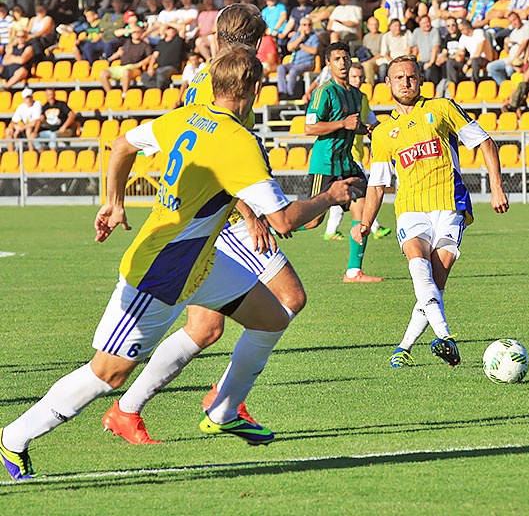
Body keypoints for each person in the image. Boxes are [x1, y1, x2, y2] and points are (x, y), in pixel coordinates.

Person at [0, 47, 361, 480]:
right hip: (161, 272)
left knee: (270, 317)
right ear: (252, 88)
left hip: (201, 264)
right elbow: (282, 220)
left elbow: (121, 144)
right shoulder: (237, 140)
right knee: (107, 374)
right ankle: (14, 437)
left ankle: (225, 408)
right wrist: (332, 196)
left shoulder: (185, 116)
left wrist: (114, 203)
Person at [98, 6, 321, 445]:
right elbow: (210, 153)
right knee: (288, 298)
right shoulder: (221, 84)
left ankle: (131, 410)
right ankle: (223, 403)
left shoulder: (211, 74)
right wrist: (249, 212)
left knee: (206, 328)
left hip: (218, 213)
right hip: (220, 218)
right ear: (255, 40)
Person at [351, 55, 508, 368]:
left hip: (450, 203)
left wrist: (496, 187)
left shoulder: (442, 108)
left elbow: (486, 143)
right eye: (399, 78)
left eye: (411, 77)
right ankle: (445, 337)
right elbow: (378, 184)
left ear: (420, 79)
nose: (406, 83)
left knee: (434, 285)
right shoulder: (383, 133)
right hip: (410, 209)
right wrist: (365, 222)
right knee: (419, 268)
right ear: (388, 84)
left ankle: (404, 347)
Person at [303, 42, 383, 283]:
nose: (342, 63)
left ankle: (353, 271)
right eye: (336, 59)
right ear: (328, 64)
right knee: (312, 221)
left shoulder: (357, 95)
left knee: (364, 209)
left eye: (345, 58)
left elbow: (354, 125)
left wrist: (367, 130)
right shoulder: (323, 92)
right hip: (325, 163)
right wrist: (343, 124)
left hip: (347, 162)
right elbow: (309, 128)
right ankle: (270, 226)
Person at [322, 62, 392, 242]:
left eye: (361, 77)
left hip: (357, 154)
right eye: (354, 77)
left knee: (344, 196)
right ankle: (374, 227)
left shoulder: (362, 98)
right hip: (346, 155)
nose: (358, 80)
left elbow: (373, 123)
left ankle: (330, 231)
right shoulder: (338, 97)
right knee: (365, 193)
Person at [99, 25, 153, 93]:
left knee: (126, 72)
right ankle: (110, 94)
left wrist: (139, 64)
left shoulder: (145, 45)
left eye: (138, 32)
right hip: (121, 67)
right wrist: (129, 30)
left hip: (134, 68)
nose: (136, 34)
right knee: (103, 73)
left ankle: (124, 94)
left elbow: (150, 57)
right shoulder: (127, 42)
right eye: (134, 32)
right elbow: (116, 33)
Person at [277, 17, 319, 100]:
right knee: (280, 67)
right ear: (300, 26)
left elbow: (314, 51)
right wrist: (301, 37)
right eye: (304, 25)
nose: (307, 27)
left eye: (309, 25)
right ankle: (282, 91)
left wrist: (301, 46)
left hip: (307, 63)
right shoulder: (297, 35)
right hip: (295, 62)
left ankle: (290, 93)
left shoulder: (314, 37)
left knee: (293, 71)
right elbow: (289, 47)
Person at [140, 24, 185, 89]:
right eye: (169, 29)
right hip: (160, 68)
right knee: (144, 76)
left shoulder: (178, 40)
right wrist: (150, 67)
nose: (171, 30)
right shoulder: (161, 42)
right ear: (165, 31)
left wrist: (168, 23)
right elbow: (154, 56)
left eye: (173, 29)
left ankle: (158, 91)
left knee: (160, 76)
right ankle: (155, 89)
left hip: (172, 68)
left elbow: (182, 27)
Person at [3, 87, 42, 152]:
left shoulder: (37, 104)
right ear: (23, 99)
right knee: (8, 131)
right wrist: (17, 127)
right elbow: (13, 122)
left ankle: (31, 152)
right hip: (24, 128)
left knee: (28, 130)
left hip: (35, 129)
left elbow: (35, 122)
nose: (29, 99)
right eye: (27, 98)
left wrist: (21, 128)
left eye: (30, 97)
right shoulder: (21, 107)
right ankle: (11, 153)